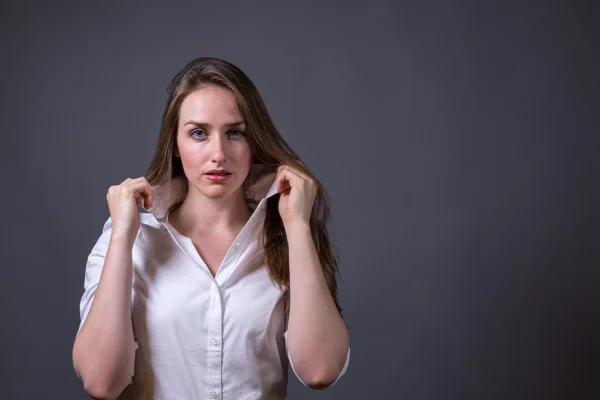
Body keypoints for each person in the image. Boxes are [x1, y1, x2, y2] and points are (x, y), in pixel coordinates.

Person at [72, 57, 350, 399]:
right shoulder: (132, 236)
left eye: (235, 132)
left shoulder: (285, 231)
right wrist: (121, 236)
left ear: (254, 141)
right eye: (199, 133)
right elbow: (101, 382)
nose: (218, 154)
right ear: (175, 144)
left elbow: (321, 370)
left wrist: (298, 227)